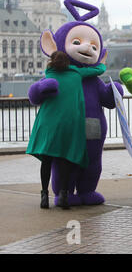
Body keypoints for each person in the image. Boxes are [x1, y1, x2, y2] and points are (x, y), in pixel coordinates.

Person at [27, 51, 106, 209]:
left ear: (52, 62)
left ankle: (44, 195)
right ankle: (64, 195)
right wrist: (102, 61)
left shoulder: (49, 75)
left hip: (47, 123)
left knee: (47, 161)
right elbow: (97, 70)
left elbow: (35, 96)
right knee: (65, 159)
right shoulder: (76, 73)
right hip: (68, 124)